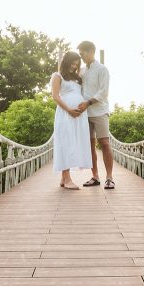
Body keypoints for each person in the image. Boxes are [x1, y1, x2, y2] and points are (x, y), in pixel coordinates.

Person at [50, 51, 91, 189]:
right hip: (65, 113)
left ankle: (63, 178)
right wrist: (69, 110)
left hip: (79, 116)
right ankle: (67, 179)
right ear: (66, 62)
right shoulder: (58, 76)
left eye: (77, 63)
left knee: (74, 142)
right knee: (66, 142)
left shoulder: (78, 77)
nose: (75, 66)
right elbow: (55, 97)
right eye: (73, 63)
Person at [76, 40, 113, 189]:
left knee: (104, 143)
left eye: (82, 54)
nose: (81, 57)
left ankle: (109, 178)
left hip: (100, 112)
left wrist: (88, 103)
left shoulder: (102, 69)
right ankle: (95, 176)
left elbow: (104, 92)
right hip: (84, 115)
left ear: (91, 51)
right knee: (90, 146)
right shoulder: (82, 71)